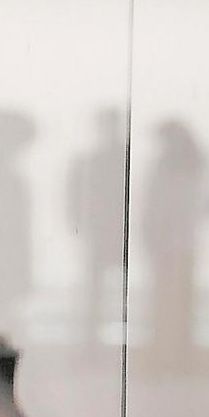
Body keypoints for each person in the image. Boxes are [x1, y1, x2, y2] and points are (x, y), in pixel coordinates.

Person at [142, 120, 209, 366]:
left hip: (169, 243)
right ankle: (179, 354)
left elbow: (153, 208)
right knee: (181, 300)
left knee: (166, 301)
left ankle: (167, 354)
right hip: (182, 243)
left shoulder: (165, 168)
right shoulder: (198, 167)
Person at [66, 108, 129, 345]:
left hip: (110, 230)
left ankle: (94, 337)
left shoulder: (109, 159)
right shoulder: (96, 160)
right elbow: (76, 195)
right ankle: (92, 337)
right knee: (96, 288)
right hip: (101, 231)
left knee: (103, 287)